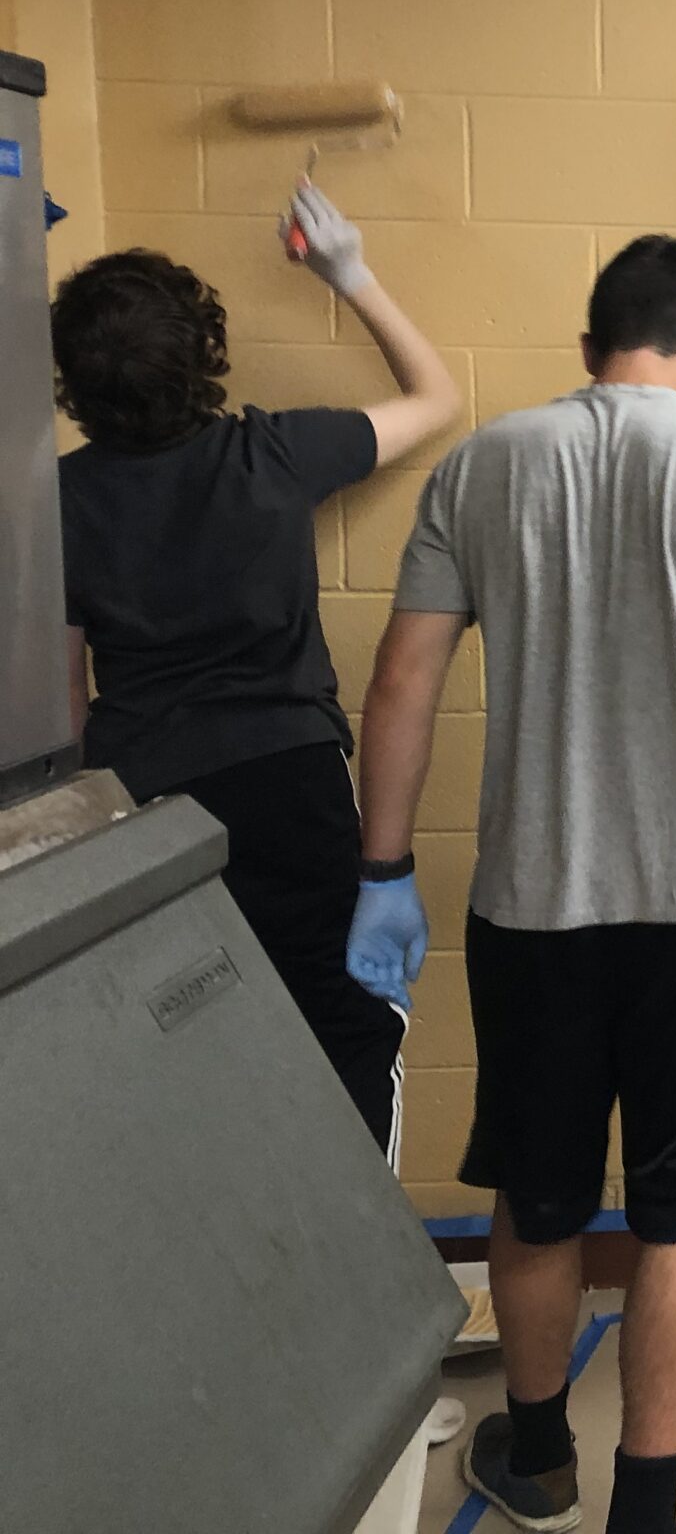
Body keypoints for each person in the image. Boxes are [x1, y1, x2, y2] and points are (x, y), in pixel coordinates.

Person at [359, 235, 676, 1534]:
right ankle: (643, 1516)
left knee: (537, 1191)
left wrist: (384, 870)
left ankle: (535, 1463)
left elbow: (401, 683)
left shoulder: (482, 466)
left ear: (589, 349)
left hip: (536, 908)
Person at [52, 183, 459, 1157]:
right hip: (290, 786)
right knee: (344, 1026)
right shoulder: (273, 454)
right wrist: (348, 273)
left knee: (191, 1050)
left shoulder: (55, 503)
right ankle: (356, 1244)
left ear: (76, 385)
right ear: (203, 354)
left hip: (142, 799)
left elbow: (66, 705)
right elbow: (436, 398)